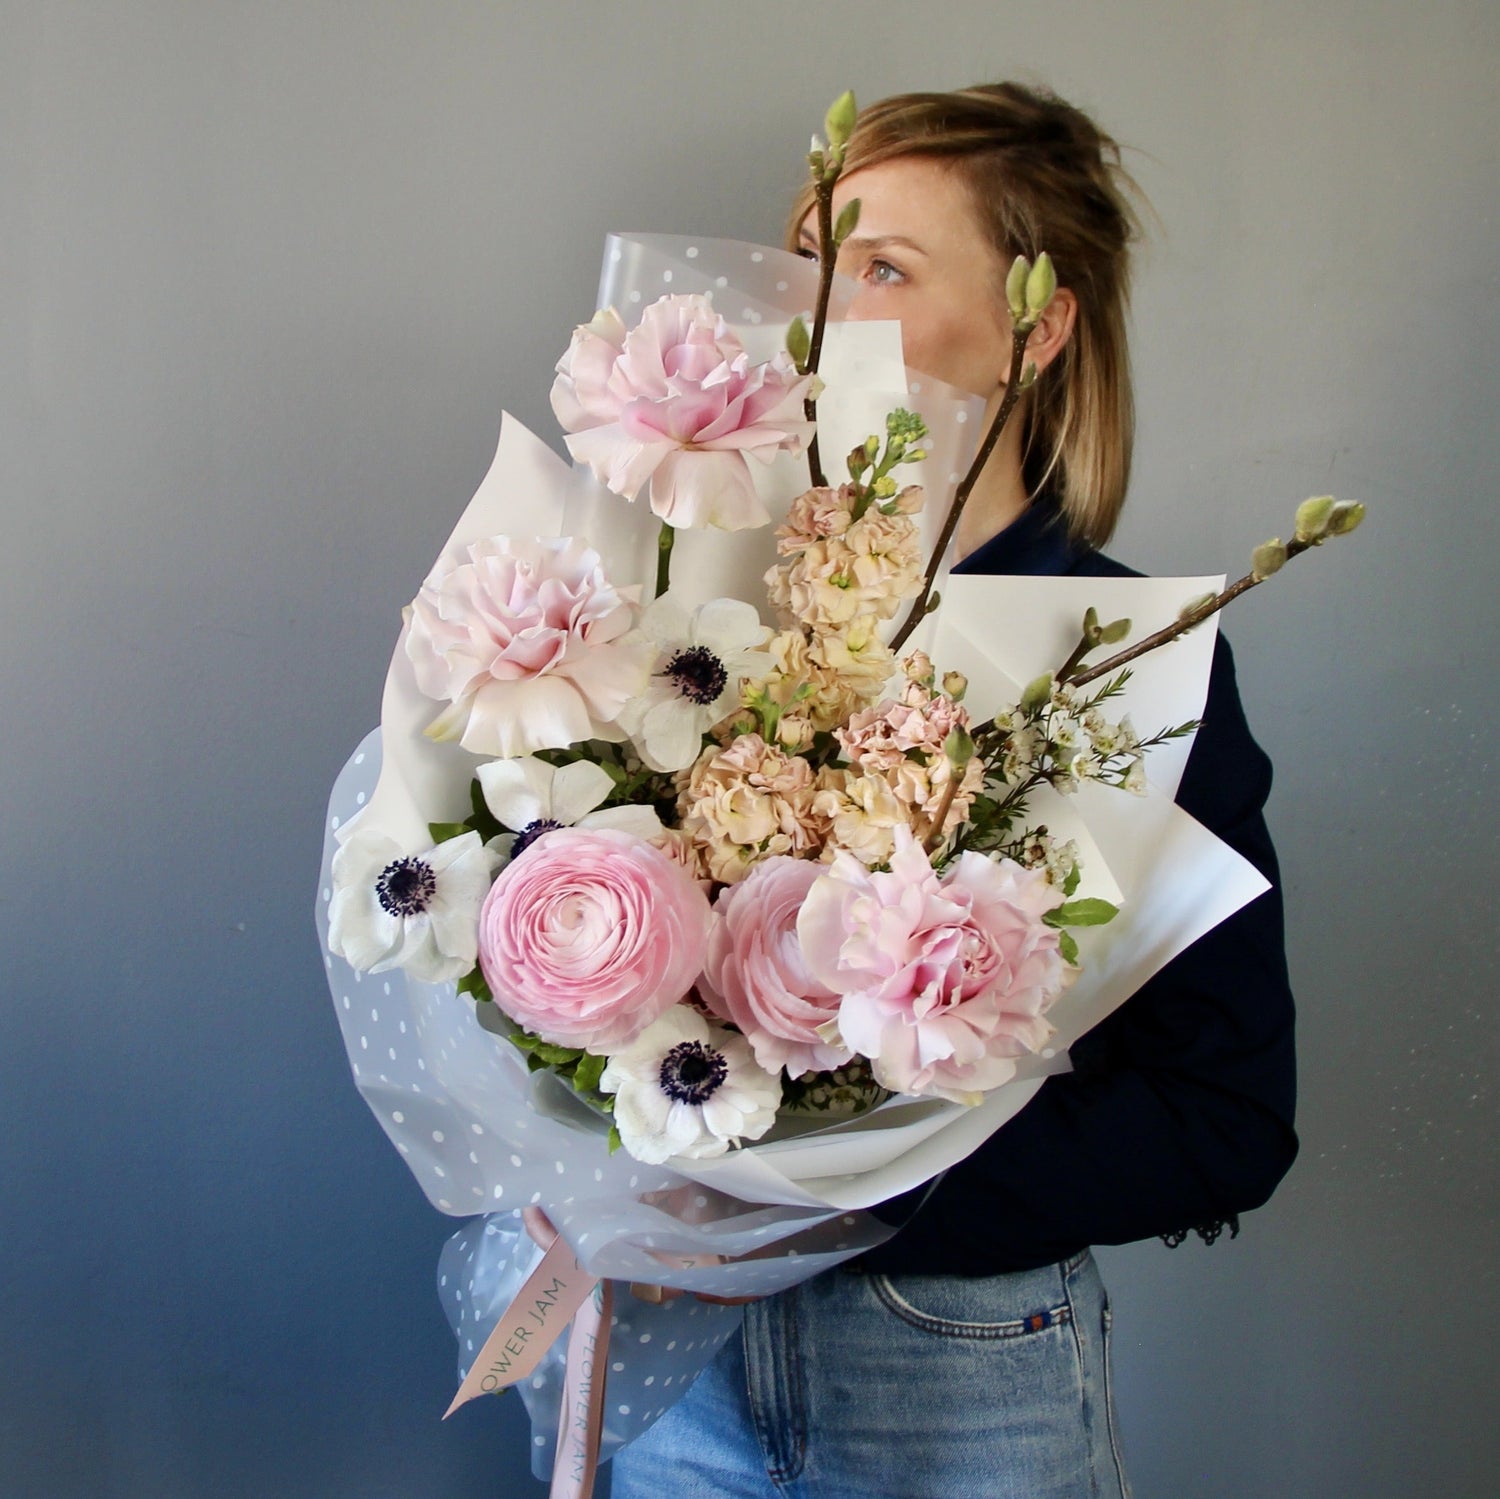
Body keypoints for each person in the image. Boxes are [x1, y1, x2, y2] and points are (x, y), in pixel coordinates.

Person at [610, 81, 1297, 1499]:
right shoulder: (689, 627)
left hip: (960, 1366)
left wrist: (841, 1192)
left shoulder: (1125, 674)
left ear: (1034, 330)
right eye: (806, 257)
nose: (811, 312)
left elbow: (1225, 1117)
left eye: (881, 268)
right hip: (681, 1375)